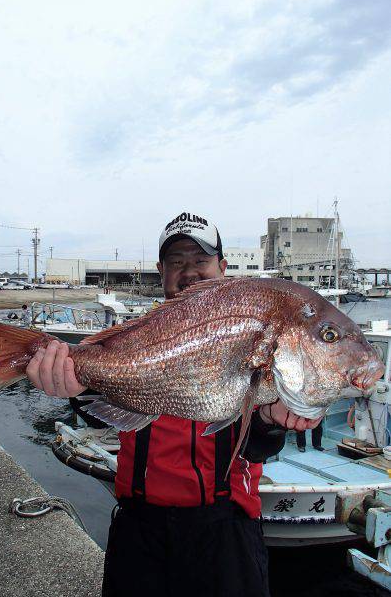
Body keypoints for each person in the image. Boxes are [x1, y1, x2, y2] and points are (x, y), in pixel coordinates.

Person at [26, 212, 322, 597]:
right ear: (161, 271)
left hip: (224, 531)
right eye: (177, 262)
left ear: (223, 267)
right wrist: (64, 383)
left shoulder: (257, 332)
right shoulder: (128, 335)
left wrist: (269, 420)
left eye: (200, 260)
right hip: (139, 527)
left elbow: (257, 446)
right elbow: (93, 402)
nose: (190, 271)